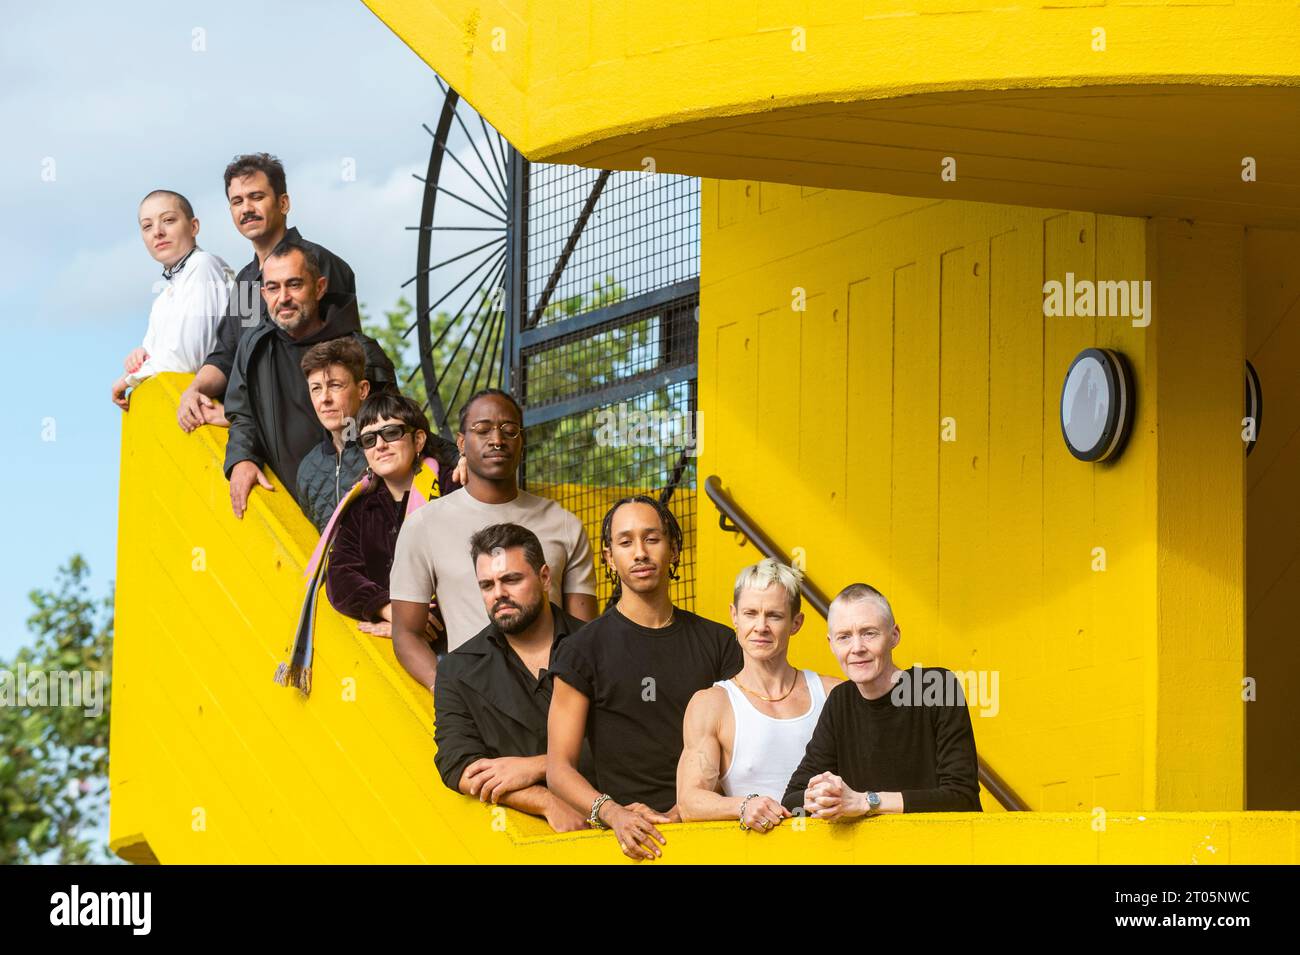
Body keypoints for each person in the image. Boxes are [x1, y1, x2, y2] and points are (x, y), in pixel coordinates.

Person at [546, 496, 743, 862]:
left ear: (673, 548)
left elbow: (740, 745)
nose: (639, 552)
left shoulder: (720, 644)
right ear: (609, 558)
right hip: (625, 841)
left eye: (651, 539)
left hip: (713, 831)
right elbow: (559, 769)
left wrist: (688, 808)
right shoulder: (581, 650)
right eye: (625, 542)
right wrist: (613, 813)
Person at [388, 389, 598, 688]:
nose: (497, 440)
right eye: (482, 430)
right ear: (461, 443)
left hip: (553, 701)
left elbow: (584, 636)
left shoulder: (563, 524)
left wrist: (569, 703)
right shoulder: (424, 525)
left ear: (521, 441)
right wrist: (449, 695)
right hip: (474, 700)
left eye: (509, 431)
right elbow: (406, 634)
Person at [176, 153, 356, 432]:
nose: (246, 208)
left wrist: (240, 416)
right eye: (237, 201)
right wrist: (193, 389)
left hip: (321, 436)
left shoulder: (322, 264)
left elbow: (343, 361)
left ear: (283, 203)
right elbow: (226, 356)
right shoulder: (246, 283)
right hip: (259, 436)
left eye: (256, 197)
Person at [433, 523, 592, 833]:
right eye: (487, 585)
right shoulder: (456, 670)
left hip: (620, 824)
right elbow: (458, 766)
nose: (499, 594)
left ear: (545, 577)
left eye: (511, 579)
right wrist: (545, 801)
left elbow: (630, 746)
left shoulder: (599, 645)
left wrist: (534, 766)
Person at [222, 239, 396, 519]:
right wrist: (241, 458)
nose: (283, 297)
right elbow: (243, 415)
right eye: (273, 288)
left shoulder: (362, 351)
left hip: (366, 508)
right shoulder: (253, 347)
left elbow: (395, 426)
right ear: (264, 294)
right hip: (290, 511)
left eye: (294, 284)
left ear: (319, 287)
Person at [780, 583, 982, 819]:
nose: (857, 648)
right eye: (844, 637)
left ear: (894, 636)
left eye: (869, 633)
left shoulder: (936, 686)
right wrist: (824, 796)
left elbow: (961, 797)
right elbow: (793, 797)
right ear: (831, 644)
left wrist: (866, 801)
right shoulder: (840, 701)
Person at [676, 558, 841, 832]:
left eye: (774, 615)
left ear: (796, 623)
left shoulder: (833, 694)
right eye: (751, 613)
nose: (761, 626)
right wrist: (744, 806)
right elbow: (689, 802)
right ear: (734, 616)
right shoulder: (712, 704)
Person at [324, 393, 459, 639]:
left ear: (418, 440)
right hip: (388, 641)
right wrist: (389, 609)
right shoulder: (359, 509)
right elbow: (339, 576)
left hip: (460, 634)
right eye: (369, 439)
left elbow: (472, 568)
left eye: (391, 433)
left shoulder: (453, 489)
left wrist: (418, 622)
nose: (380, 445)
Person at [113, 190, 233, 411]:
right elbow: (158, 358)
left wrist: (131, 378)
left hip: (215, 414)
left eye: (168, 220)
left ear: (193, 226)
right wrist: (141, 357)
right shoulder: (163, 298)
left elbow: (187, 360)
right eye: (147, 226)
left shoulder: (203, 265)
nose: (157, 232)